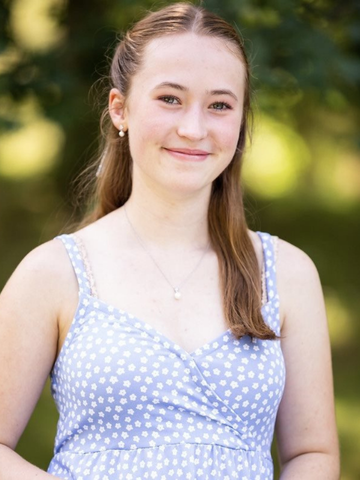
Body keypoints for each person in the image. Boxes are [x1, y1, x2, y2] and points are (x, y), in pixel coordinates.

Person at [0, 2, 340, 479]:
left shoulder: (286, 272)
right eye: (170, 99)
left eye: (220, 105)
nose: (193, 129)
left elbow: (313, 455)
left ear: (241, 122)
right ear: (120, 109)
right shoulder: (54, 273)